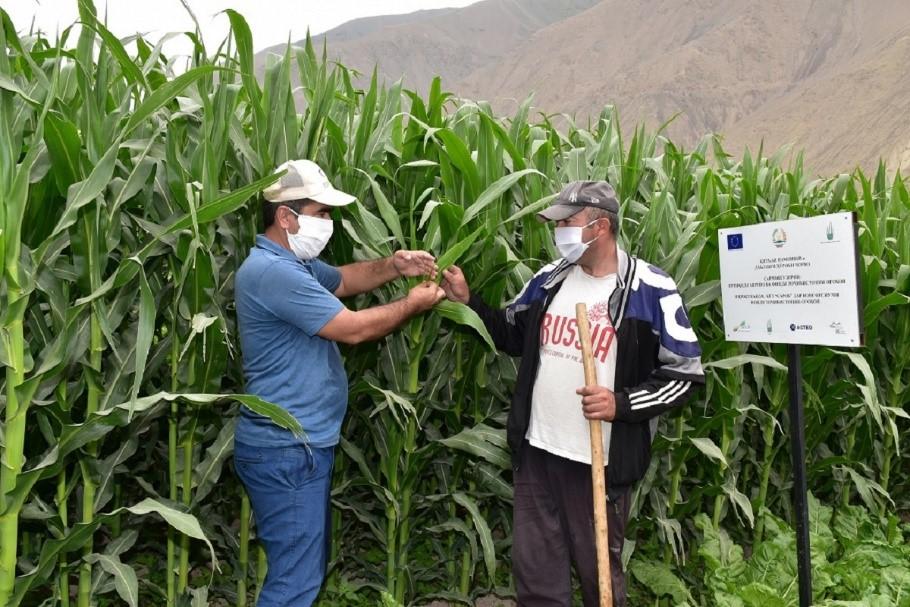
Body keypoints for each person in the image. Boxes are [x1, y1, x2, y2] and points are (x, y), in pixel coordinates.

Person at [441, 181, 704, 606]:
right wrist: (469, 303)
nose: (558, 230)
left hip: (597, 463)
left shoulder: (650, 289)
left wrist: (620, 404)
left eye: (567, 221)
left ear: (600, 227)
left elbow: (684, 374)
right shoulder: (550, 280)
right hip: (539, 453)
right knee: (538, 581)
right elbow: (511, 334)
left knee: (599, 579)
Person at [233, 159, 445, 606]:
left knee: (299, 570)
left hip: (296, 445)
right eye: (321, 213)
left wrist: (393, 264)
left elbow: (345, 280)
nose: (328, 222)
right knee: (294, 583)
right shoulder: (275, 273)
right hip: (287, 447)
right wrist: (412, 304)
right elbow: (354, 329)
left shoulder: (295, 264)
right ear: (286, 217)